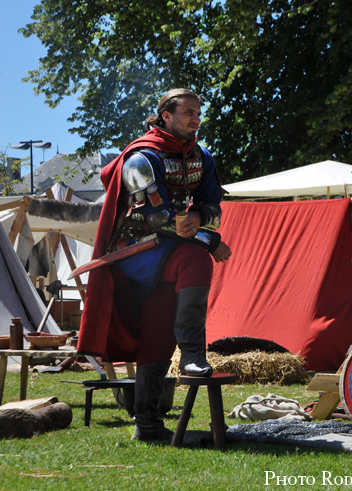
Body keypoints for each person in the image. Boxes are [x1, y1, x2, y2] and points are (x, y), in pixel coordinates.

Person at [77, 88, 232, 440]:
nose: (196, 119)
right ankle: (194, 353)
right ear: (166, 116)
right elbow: (158, 220)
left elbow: (214, 210)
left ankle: (146, 425)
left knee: (159, 332)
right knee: (197, 260)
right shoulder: (140, 159)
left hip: (171, 249)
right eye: (188, 112)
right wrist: (208, 240)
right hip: (140, 253)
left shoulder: (202, 157)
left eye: (198, 113)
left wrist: (199, 217)